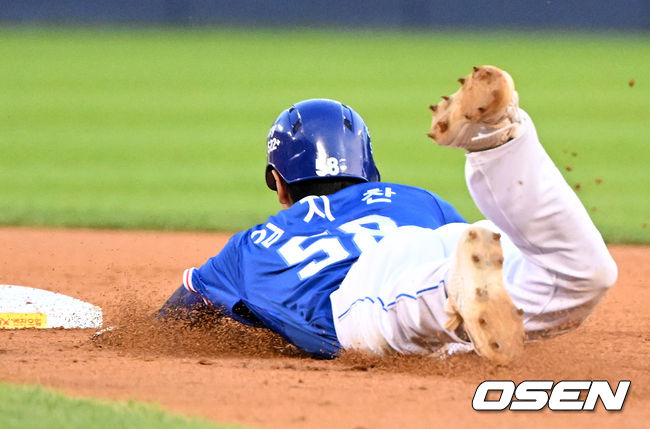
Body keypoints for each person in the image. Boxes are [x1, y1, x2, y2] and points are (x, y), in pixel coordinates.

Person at [159, 66, 617, 364]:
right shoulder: (414, 198)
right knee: (579, 272)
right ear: (368, 168)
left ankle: (450, 292)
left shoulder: (247, 247)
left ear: (278, 182)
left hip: (362, 295)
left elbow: (178, 316)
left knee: (404, 306)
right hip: (439, 244)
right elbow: (473, 256)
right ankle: (499, 140)